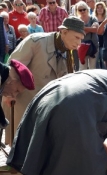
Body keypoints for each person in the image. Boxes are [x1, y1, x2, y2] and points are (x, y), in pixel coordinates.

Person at [3, 16, 85, 146]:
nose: (79, 43)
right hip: (24, 101)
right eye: (76, 37)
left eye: (81, 39)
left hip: (47, 105)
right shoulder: (35, 41)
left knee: (40, 145)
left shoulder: (69, 52)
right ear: (64, 31)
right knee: (20, 144)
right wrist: (8, 94)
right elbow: (14, 66)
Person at [75, 1, 99, 70]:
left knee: (92, 68)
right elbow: (77, 33)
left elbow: (95, 29)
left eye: (84, 9)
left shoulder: (93, 18)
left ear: (87, 9)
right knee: (82, 68)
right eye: (80, 10)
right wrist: (90, 29)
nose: (82, 11)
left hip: (93, 46)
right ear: (77, 11)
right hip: (81, 47)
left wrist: (83, 29)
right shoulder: (77, 21)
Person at [94, 1, 107, 69]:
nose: (99, 9)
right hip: (95, 43)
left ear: (104, 9)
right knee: (95, 63)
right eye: (98, 8)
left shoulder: (106, 19)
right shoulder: (93, 19)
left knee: (104, 62)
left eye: (101, 8)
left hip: (104, 43)